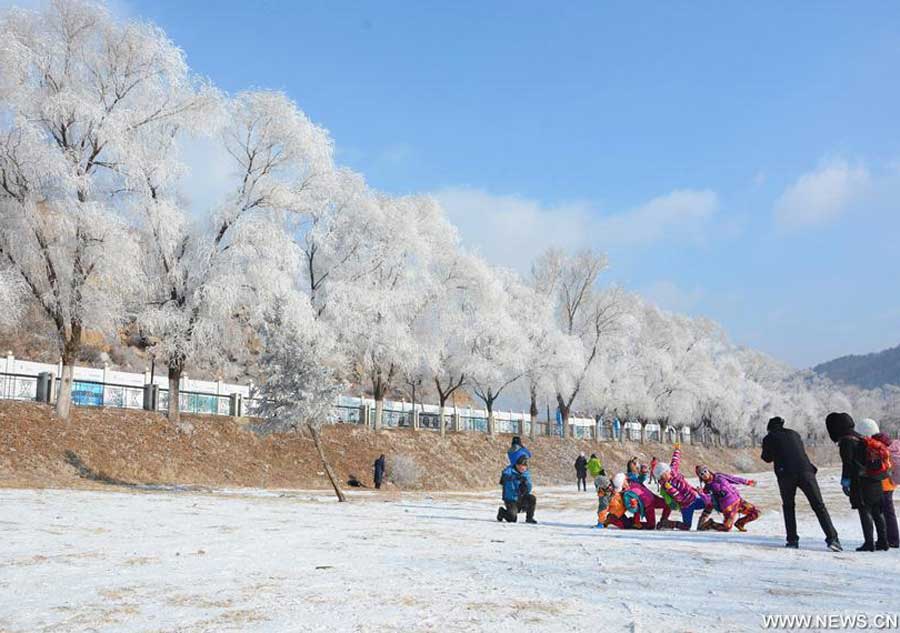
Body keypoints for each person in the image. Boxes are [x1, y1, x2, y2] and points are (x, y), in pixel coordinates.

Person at [762, 416, 841, 551]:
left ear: (769, 428)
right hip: (806, 471)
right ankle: (833, 539)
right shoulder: (794, 434)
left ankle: (792, 540)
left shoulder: (769, 437)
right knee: (819, 506)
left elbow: (767, 458)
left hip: (786, 474)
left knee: (789, 507)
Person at [827, 413, 889, 551]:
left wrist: (845, 481)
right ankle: (883, 542)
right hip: (875, 478)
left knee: (864, 510)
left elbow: (847, 464)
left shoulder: (846, 441)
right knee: (877, 511)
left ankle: (869, 543)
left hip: (861, 481)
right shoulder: (861, 437)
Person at [653, 444, 711, 530]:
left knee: (710, 502)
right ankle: (666, 523)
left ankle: (703, 523)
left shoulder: (673, 471)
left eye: (665, 473)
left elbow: (675, 461)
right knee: (686, 526)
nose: (665, 476)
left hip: (694, 497)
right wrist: (673, 490)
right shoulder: (666, 485)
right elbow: (678, 496)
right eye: (662, 476)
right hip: (686, 505)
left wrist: (677, 450)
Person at [695, 465, 759, 532]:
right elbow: (708, 501)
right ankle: (710, 524)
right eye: (701, 474)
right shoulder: (707, 488)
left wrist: (747, 482)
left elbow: (732, 479)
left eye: (705, 471)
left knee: (756, 513)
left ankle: (740, 523)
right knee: (727, 528)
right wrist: (701, 494)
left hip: (739, 502)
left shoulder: (719, 476)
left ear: (708, 470)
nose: (704, 474)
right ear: (700, 477)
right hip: (728, 509)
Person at [872, 431, 900, 548]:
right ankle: (891, 539)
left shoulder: (884, 451)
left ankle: (892, 540)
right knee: (888, 512)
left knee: (886, 512)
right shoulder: (895, 448)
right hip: (891, 483)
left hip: (884, 484)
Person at [497, 455, 537, 524]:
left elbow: (529, 487)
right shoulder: (508, 472)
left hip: (521, 498)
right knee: (512, 519)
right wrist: (516, 479)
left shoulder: (526, 474)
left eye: (524, 466)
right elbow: (506, 479)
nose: (522, 467)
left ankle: (529, 518)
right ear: (516, 465)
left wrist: (525, 486)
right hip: (511, 499)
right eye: (520, 465)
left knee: (532, 498)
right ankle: (502, 512)